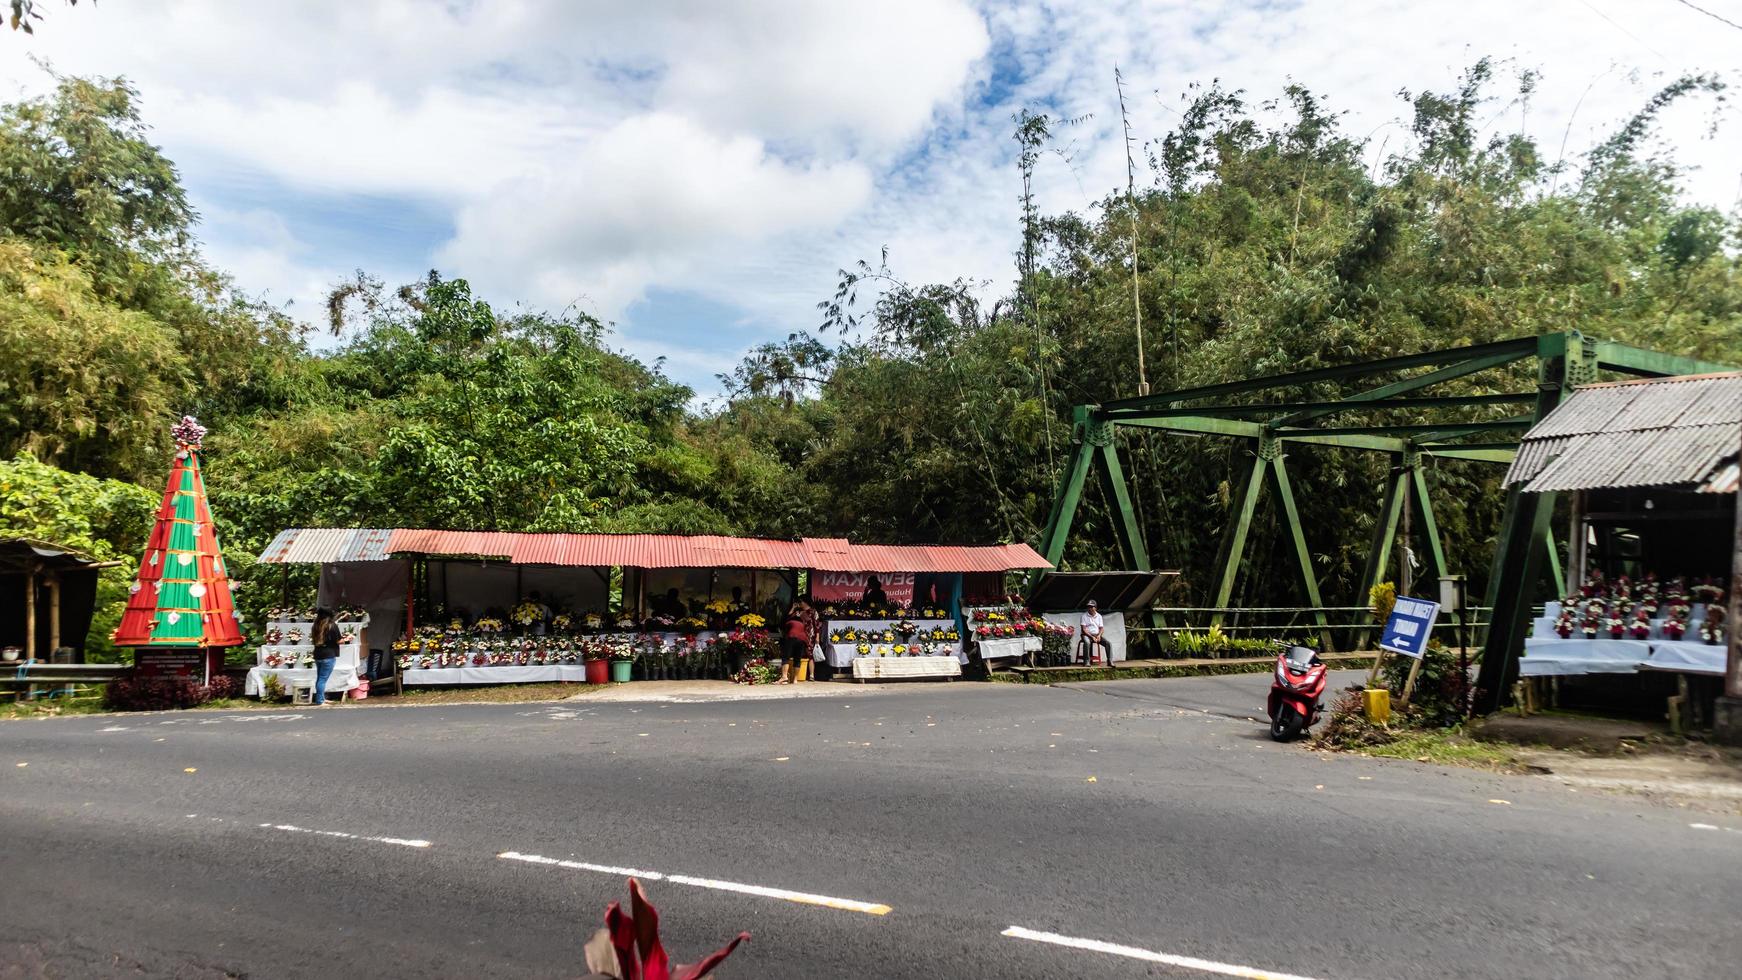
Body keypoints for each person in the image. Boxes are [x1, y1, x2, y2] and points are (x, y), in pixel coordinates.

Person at [310, 606, 342, 706]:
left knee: (320, 678)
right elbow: (338, 640)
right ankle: (320, 701)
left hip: (318, 654)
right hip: (329, 654)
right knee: (322, 679)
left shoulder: (315, 625)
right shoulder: (331, 625)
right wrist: (347, 639)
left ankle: (321, 698)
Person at [778, 600, 809, 683]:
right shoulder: (802, 622)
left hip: (792, 637)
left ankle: (784, 677)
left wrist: (793, 608)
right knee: (797, 659)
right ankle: (795, 680)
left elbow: (784, 622)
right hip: (802, 639)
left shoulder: (789, 621)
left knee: (785, 657)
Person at [1080, 599, 1111, 664]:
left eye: (1091, 607)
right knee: (1087, 642)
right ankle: (1087, 661)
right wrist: (1091, 637)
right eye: (1088, 607)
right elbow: (1084, 629)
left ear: (1095, 608)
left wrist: (1099, 635)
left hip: (1096, 635)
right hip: (1086, 635)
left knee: (1108, 643)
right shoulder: (1084, 616)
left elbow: (1101, 628)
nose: (1090, 608)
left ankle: (1110, 661)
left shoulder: (1099, 616)